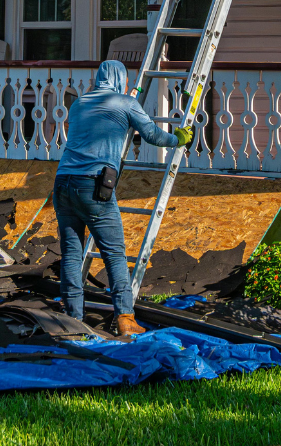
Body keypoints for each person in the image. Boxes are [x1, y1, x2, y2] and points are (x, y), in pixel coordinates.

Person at [52, 59, 191, 336]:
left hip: (62, 182)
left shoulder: (80, 103)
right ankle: (126, 320)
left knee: (71, 253)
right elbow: (151, 134)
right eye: (125, 80)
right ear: (119, 79)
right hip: (92, 185)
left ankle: (73, 320)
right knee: (114, 254)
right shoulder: (126, 103)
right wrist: (178, 139)